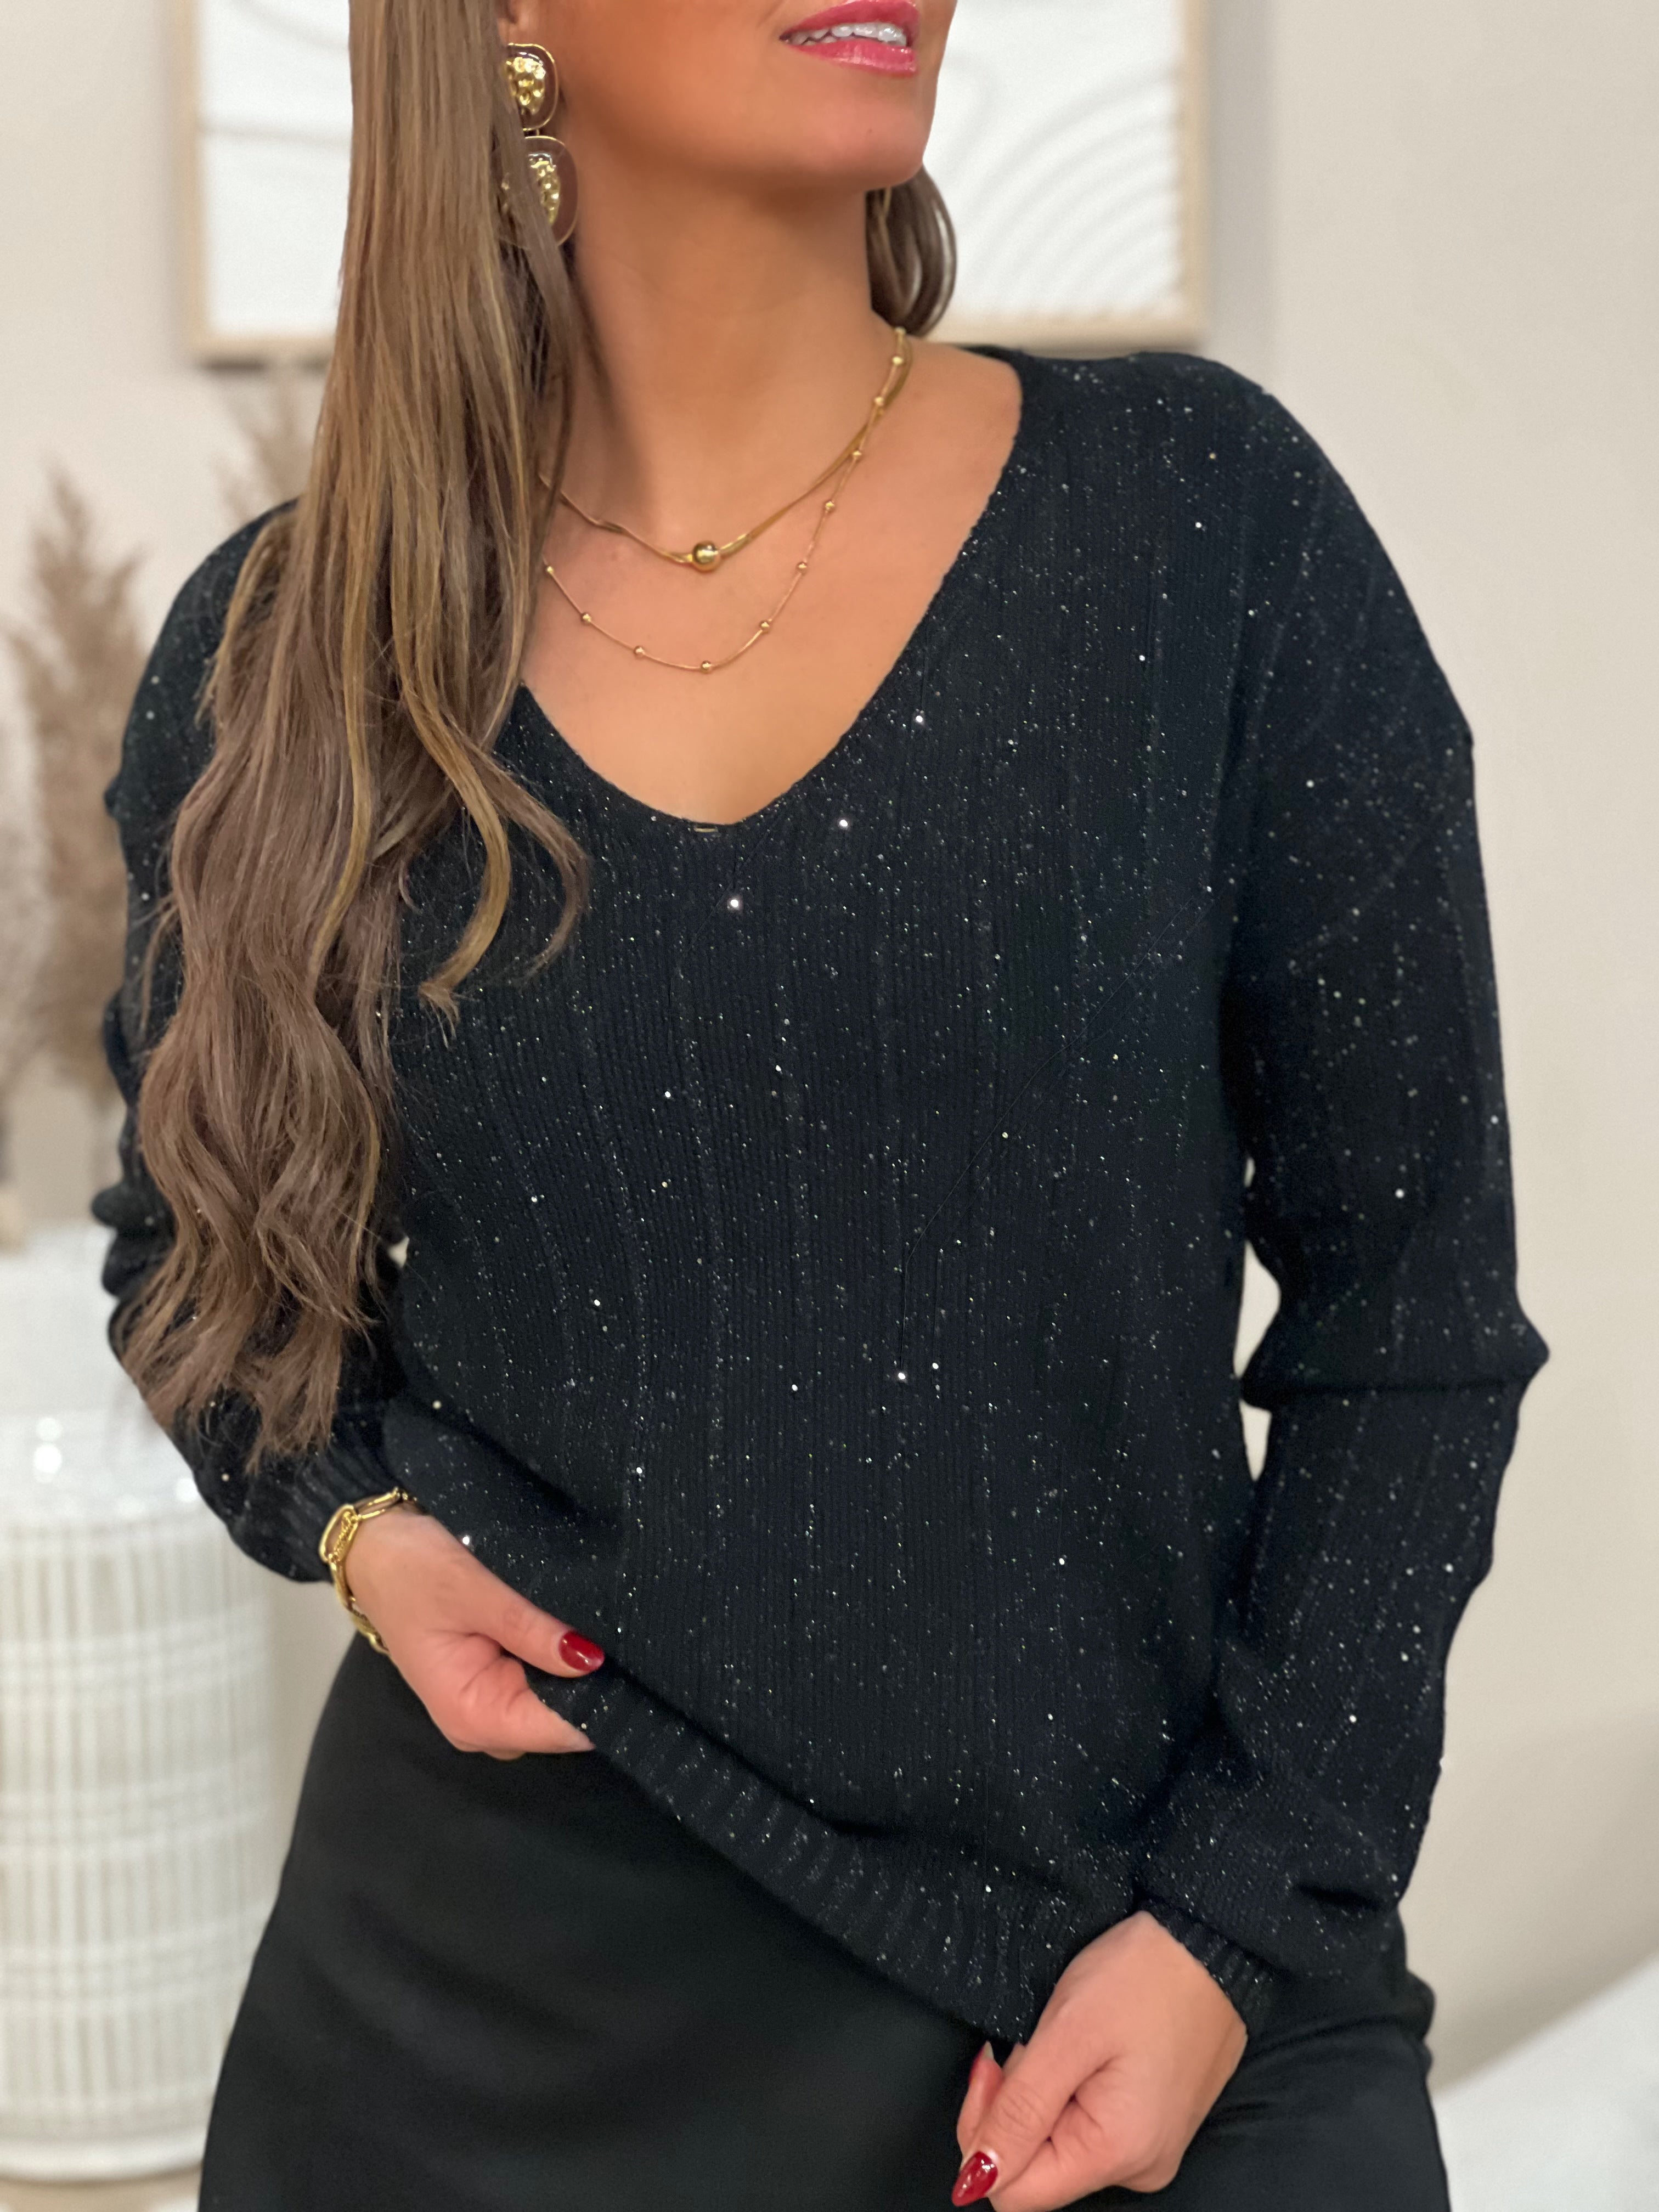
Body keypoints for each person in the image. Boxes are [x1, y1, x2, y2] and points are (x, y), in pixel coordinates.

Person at [92, 1, 1547, 2205]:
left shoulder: (1205, 529)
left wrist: (1236, 1930)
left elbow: (1411, 1317)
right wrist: (361, 1535)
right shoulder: (285, 653)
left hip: (1139, 1992)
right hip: (486, 2039)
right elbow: (192, 1264)